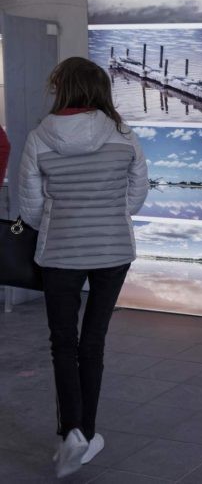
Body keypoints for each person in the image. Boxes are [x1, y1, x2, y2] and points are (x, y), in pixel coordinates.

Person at [18, 57, 149, 478]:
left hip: (60, 253)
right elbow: (138, 190)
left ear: (63, 88)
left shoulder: (40, 137)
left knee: (63, 343)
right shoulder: (122, 135)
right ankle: (87, 435)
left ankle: (70, 432)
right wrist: (111, 217)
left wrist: (62, 224)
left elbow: (30, 204)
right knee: (93, 343)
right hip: (113, 251)